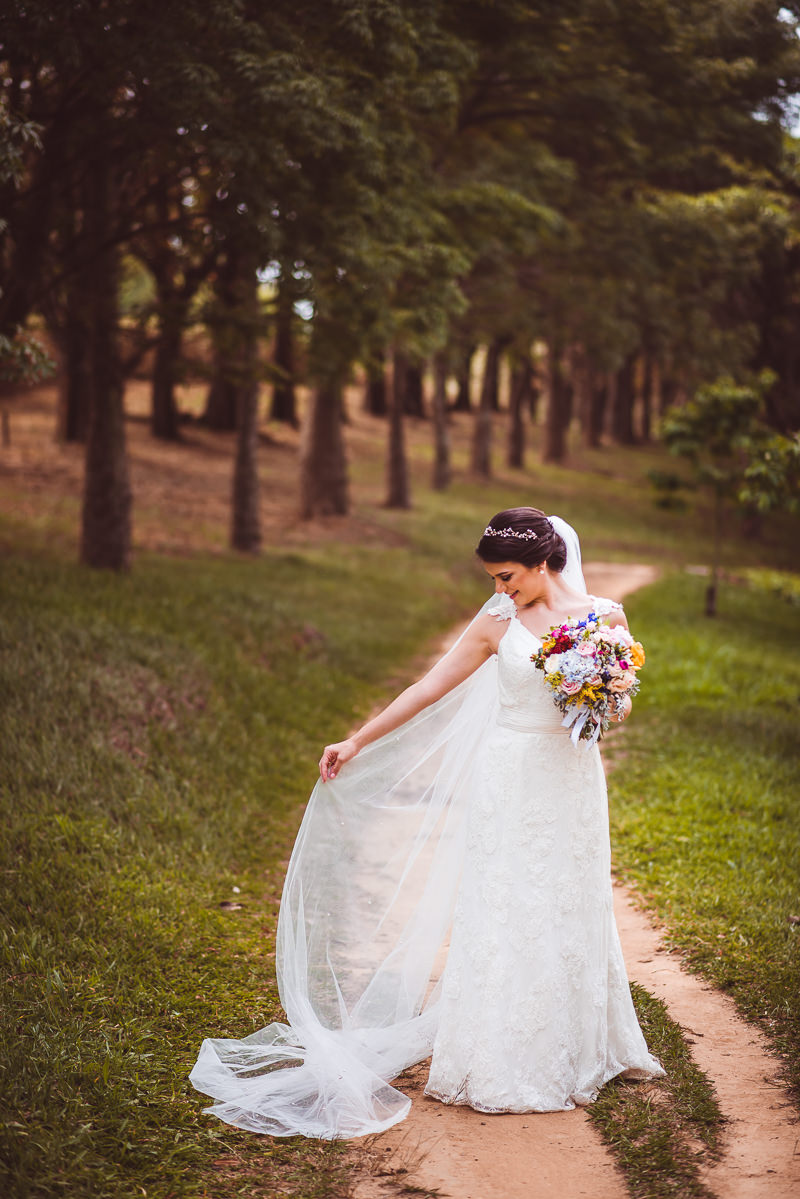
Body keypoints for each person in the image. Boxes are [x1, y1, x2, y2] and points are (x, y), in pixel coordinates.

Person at [190, 508, 664, 1138]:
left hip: (572, 779)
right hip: (509, 776)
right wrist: (356, 741)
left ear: (545, 562)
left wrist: (604, 698)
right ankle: (498, 1052)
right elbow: (429, 686)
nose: (500, 589)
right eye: (494, 579)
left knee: (569, 900)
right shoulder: (498, 620)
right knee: (502, 905)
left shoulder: (605, 619)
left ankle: (580, 1041)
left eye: (508, 577)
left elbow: (620, 701)